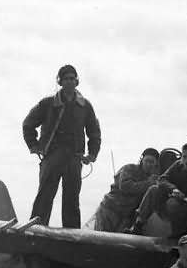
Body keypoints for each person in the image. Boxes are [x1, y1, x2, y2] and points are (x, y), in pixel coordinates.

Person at [22, 64, 102, 228]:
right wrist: (34, 146)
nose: (70, 82)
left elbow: (94, 132)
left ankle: (72, 239)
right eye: (66, 78)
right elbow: (28, 124)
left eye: (73, 78)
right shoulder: (47, 103)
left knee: (72, 200)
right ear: (60, 81)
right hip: (53, 155)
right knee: (44, 197)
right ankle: (35, 232)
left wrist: (92, 154)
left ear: (77, 81)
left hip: (74, 158)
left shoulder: (85, 106)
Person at [129, 142, 187, 237]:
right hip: (172, 205)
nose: (186, 161)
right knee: (154, 189)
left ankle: (178, 234)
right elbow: (162, 179)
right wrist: (173, 189)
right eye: (184, 157)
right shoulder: (178, 165)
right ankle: (137, 226)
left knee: (173, 203)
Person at [93, 148, 159, 232]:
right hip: (110, 210)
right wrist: (148, 183)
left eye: (152, 162)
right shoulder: (129, 168)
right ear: (142, 160)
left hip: (126, 216)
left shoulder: (154, 178)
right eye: (147, 161)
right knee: (101, 238)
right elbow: (125, 186)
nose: (148, 164)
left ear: (156, 164)